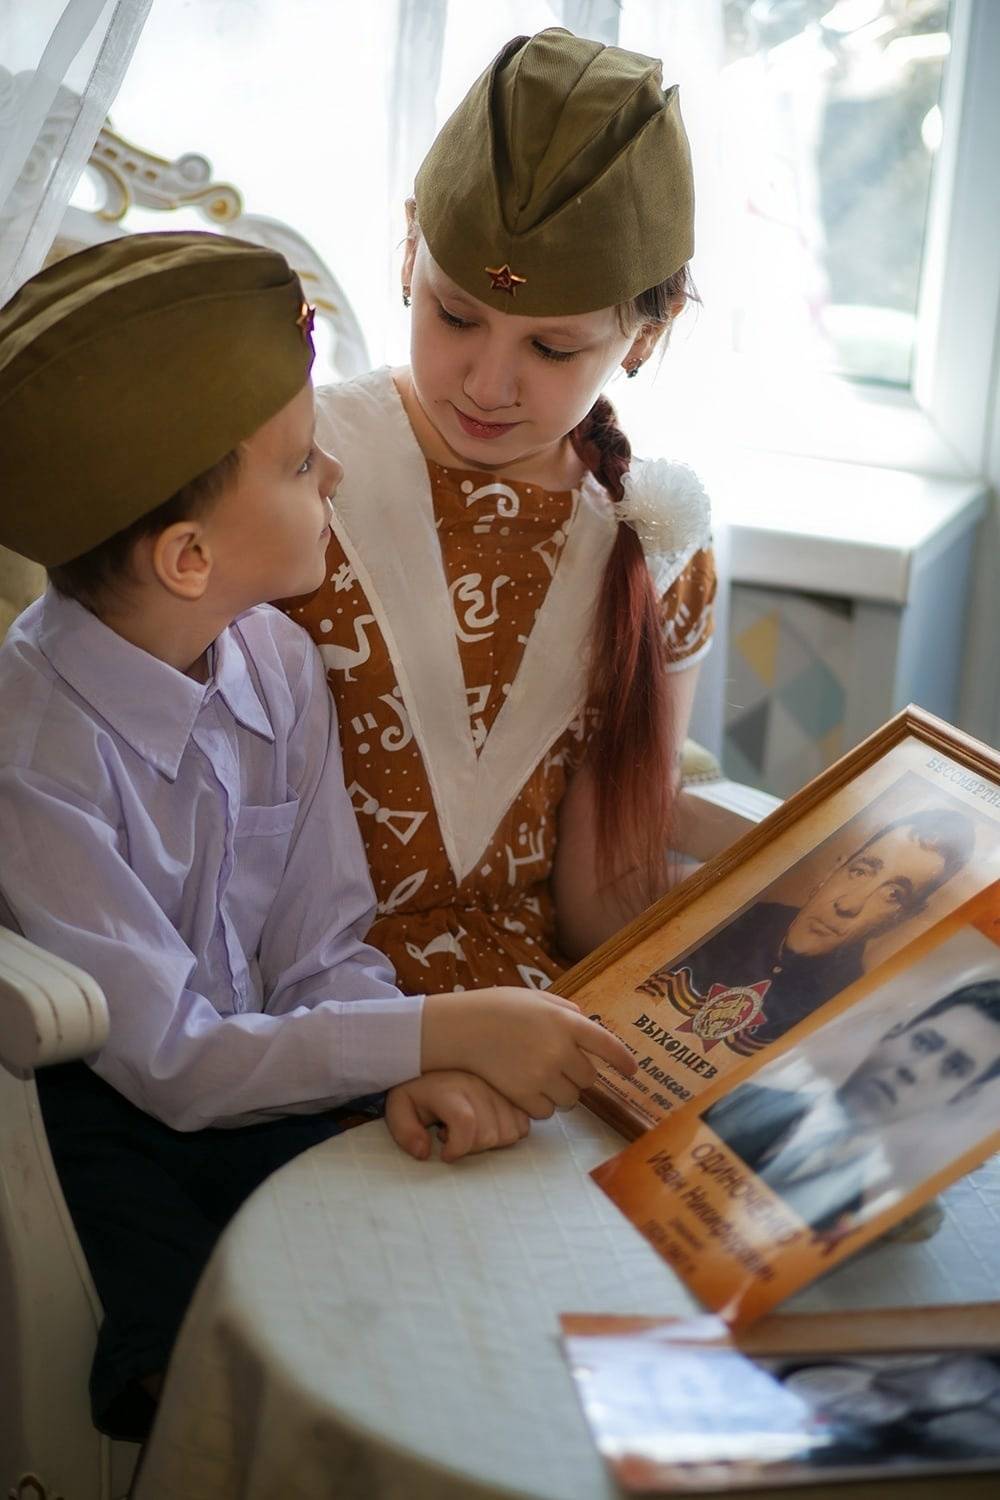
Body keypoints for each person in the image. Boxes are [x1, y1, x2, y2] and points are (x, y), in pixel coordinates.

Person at [0, 232, 635, 1440]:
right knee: (176, 1297)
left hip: (251, 1072)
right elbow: (167, 1061)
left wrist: (403, 1061)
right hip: (102, 1099)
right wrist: (439, 1030)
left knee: (422, 1268)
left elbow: (323, 950)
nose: (333, 468)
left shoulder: (281, 664)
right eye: (300, 464)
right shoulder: (33, 754)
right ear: (189, 557)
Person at [282, 28, 716, 999]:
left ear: (644, 338)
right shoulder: (287, 472)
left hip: (533, 1010)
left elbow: (601, 903)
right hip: (300, 999)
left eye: (552, 350)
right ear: (409, 255)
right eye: (455, 315)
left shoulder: (655, 545)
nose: (486, 384)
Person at [635, 807, 974, 1056]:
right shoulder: (732, 916)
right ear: (835, 868)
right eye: (861, 871)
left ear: (901, 919)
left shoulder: (844, 1012)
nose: (849, 904)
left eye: (893, 895)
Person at [703, 979, 1000, 1232]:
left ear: (962, 1095)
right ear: (892, 1033)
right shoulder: (735, 1099)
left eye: (954, 1068)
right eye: (923, 1043)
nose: (916, 1071)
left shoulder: (868, 1211)